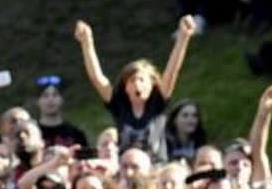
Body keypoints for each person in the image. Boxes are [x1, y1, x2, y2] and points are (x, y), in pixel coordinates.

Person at [74, 16, 197, 163]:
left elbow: (172, 71)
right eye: (132, 80)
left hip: (155, 168)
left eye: (142, 80)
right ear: (125, 87)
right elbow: (97, 78)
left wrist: (183, 37)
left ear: (152, 85)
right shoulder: (119, 106)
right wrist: (87, 42)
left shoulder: (157, 104)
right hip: (127, 169)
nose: (137, 84)